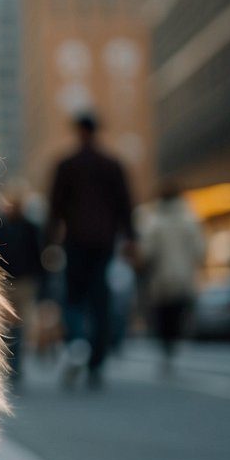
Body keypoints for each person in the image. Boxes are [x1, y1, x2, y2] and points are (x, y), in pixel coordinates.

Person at [45, 112, 136, 389]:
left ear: (78, 132)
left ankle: (77, 343)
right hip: (104, 242)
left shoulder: (66, 165)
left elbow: (55, 207)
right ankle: (96, 361)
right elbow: (125, 205)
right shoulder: (112, 165)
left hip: (76, 241)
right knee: (101, 301)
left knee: (73, 297)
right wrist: (130, 237)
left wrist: (48, 242)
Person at [138, 182, 204, 375]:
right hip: (184, 276)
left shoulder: (154, 221)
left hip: (161, 278)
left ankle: (167, 350)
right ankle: (174, 348)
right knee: (178, 313)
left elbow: (147, 251)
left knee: (163, 316)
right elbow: (199, 250)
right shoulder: (190, 219)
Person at [0, 184, 44, 389]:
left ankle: (15, 363)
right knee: (3, 324)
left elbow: (38, 256)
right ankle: (5, 362)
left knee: (19, 325)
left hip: (24, 282)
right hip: (2, 281)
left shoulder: (31, 227)